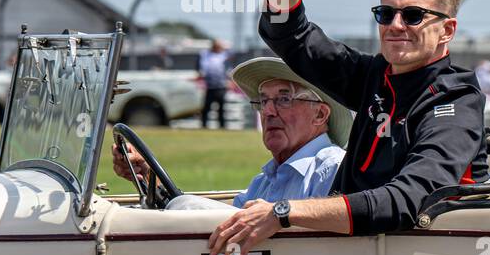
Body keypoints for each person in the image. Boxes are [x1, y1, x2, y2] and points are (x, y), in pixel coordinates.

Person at [208, 0, 487, 255]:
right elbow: (287, 35)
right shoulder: (375, 75)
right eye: (386, 13)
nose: (395, 25)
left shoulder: (456, 99)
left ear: (447, 30)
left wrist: (282, 213)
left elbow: (407, 201)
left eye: (414, 15)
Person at [114, 57, 348, 209]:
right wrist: (147, 176)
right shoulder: (265, 180)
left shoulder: (332, 168)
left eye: (284, 99)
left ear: (319, 115)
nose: (267, 111)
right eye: (263, 100)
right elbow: (224, 221)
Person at [198, 39, 231, 129]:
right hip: (210, 86)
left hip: (221, 86)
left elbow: (228, 69)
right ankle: (204, 125)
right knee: (206, 108)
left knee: (221, 108)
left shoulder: (224, 55)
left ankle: (222, 126)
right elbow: (201, 69)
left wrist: (229, 81)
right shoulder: (206, 55)